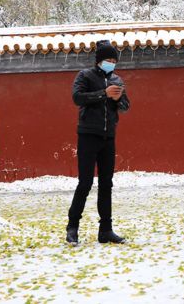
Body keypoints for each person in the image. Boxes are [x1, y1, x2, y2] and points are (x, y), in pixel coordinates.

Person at [66, 40, 130, 245]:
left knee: (106, 184)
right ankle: (72, 227)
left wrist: (117, 98)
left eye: (114, 60)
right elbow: (77, 98)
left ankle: (106, 230)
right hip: (87, 135)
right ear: (99, 60)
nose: (111, 63)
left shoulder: (117, 79)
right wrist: (103, 94)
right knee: (85, 182)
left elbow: (126, 105)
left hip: (108, 136)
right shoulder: (85, 75)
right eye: (108, 60)